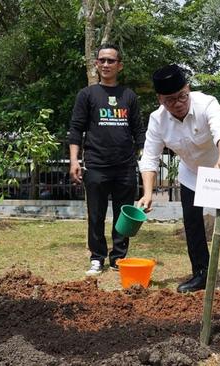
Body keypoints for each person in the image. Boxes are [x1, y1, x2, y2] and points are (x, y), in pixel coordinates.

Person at [137, 64, 220, 293]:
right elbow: (149, 157)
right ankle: (201, 272)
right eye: (169, 100)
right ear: (160, 99)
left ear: (188, 88)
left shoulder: (207, 103)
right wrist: (147, 193)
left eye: (181, 96)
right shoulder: (157, 120)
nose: (177, 104)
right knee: (193, 223)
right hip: (191, 174)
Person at [68, 44, 145, 276]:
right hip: (96, 165)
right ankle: (97, 257)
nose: (106, 64)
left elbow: (139, 132)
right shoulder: (87, 95)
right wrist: (74, 161)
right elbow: (75, 129)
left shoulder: (129, 96)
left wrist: (145, 161)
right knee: (96, 215)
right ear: (96, 64)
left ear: (119, 65)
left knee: (124, 215)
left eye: (111, 61)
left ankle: (119, 258)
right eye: (102, 60)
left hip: (125, 167)